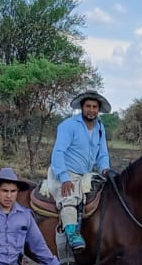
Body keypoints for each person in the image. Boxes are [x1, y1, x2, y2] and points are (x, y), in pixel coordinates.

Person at [45, 90, 112, 251]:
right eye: (88, 106)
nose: (91, 110)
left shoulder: (100, 128)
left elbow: (102, 153)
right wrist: (64, 177)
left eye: (94, 107)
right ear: (82, 108)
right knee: (69, 196)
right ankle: (72, 233)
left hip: (86, 175)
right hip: (65, 172)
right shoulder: (68, 126)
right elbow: (58, 152)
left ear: (99, 109)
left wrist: (105, 169)